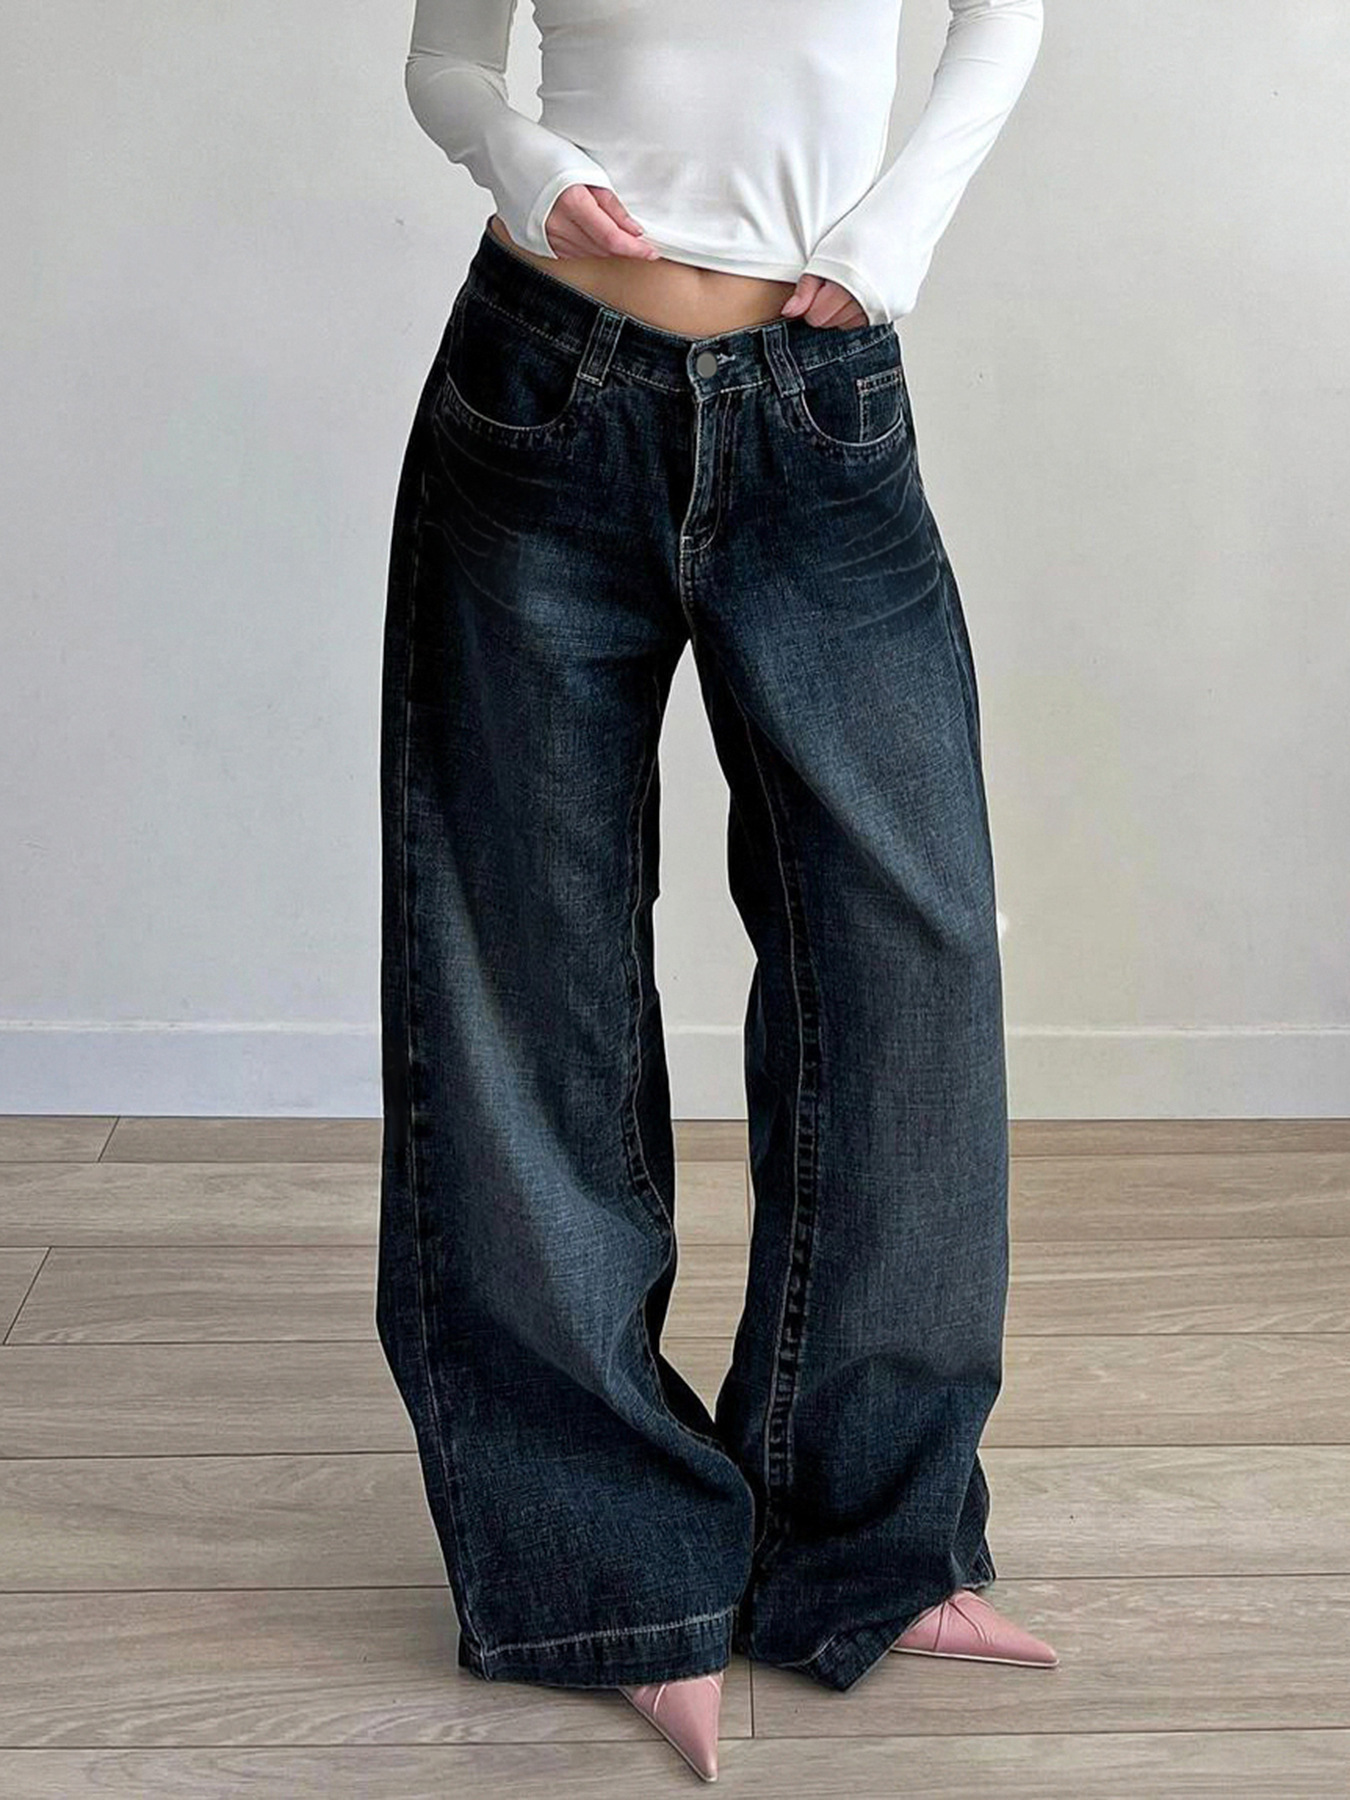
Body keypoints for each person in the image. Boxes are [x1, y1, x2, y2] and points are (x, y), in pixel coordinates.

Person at [376, 0, 1056, 1781]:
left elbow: (1006, 11)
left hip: (820, 400)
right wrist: (527, 163)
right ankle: (609, 1574)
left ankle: (870, 1541)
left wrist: (895, 226)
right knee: (522, 973)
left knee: (908, 966)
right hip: (539, 392)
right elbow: (445, 59)